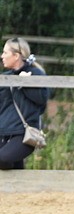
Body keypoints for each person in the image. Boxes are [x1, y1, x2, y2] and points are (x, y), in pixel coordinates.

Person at [0, 38, 49, 170]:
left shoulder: (36, 74)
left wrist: (25, 85)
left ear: (16, 56)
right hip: (3, 132)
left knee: (2, 159)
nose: (2, 56)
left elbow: (41, 102)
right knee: (12, 167)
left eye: (5, 53)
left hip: (24, 135)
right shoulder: (4, 77)